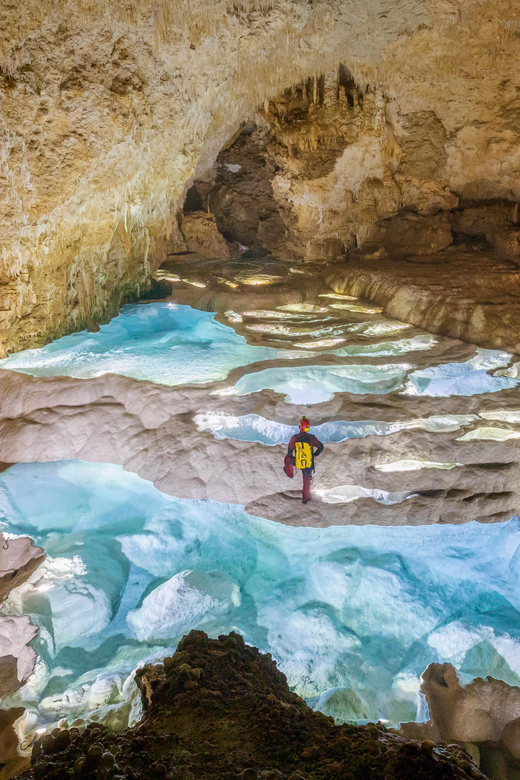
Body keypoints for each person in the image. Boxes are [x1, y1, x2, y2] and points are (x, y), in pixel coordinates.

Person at [284, 417, 324, 504]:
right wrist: (313, 455)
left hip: (298, 462)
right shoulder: (312, 438)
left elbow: (289, 453)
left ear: (299, 427)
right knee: (306, 481)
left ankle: (290, 474)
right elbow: (321, 447)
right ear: (308, 428)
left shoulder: (294, 438)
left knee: (287, 459)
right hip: (308, 464)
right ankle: (305, 499)